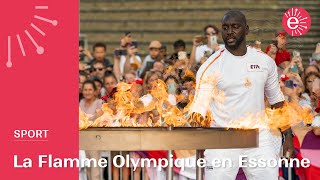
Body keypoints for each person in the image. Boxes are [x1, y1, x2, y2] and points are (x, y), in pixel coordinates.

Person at [189, 11, 294, 179]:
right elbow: (199, 111)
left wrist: (287, 134)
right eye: (225, 28)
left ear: (246, 30)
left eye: (235, 27)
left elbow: (277, 102)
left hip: (259, 137)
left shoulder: (264, 61)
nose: (229, 31)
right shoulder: (210, 66)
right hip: (222, 138)